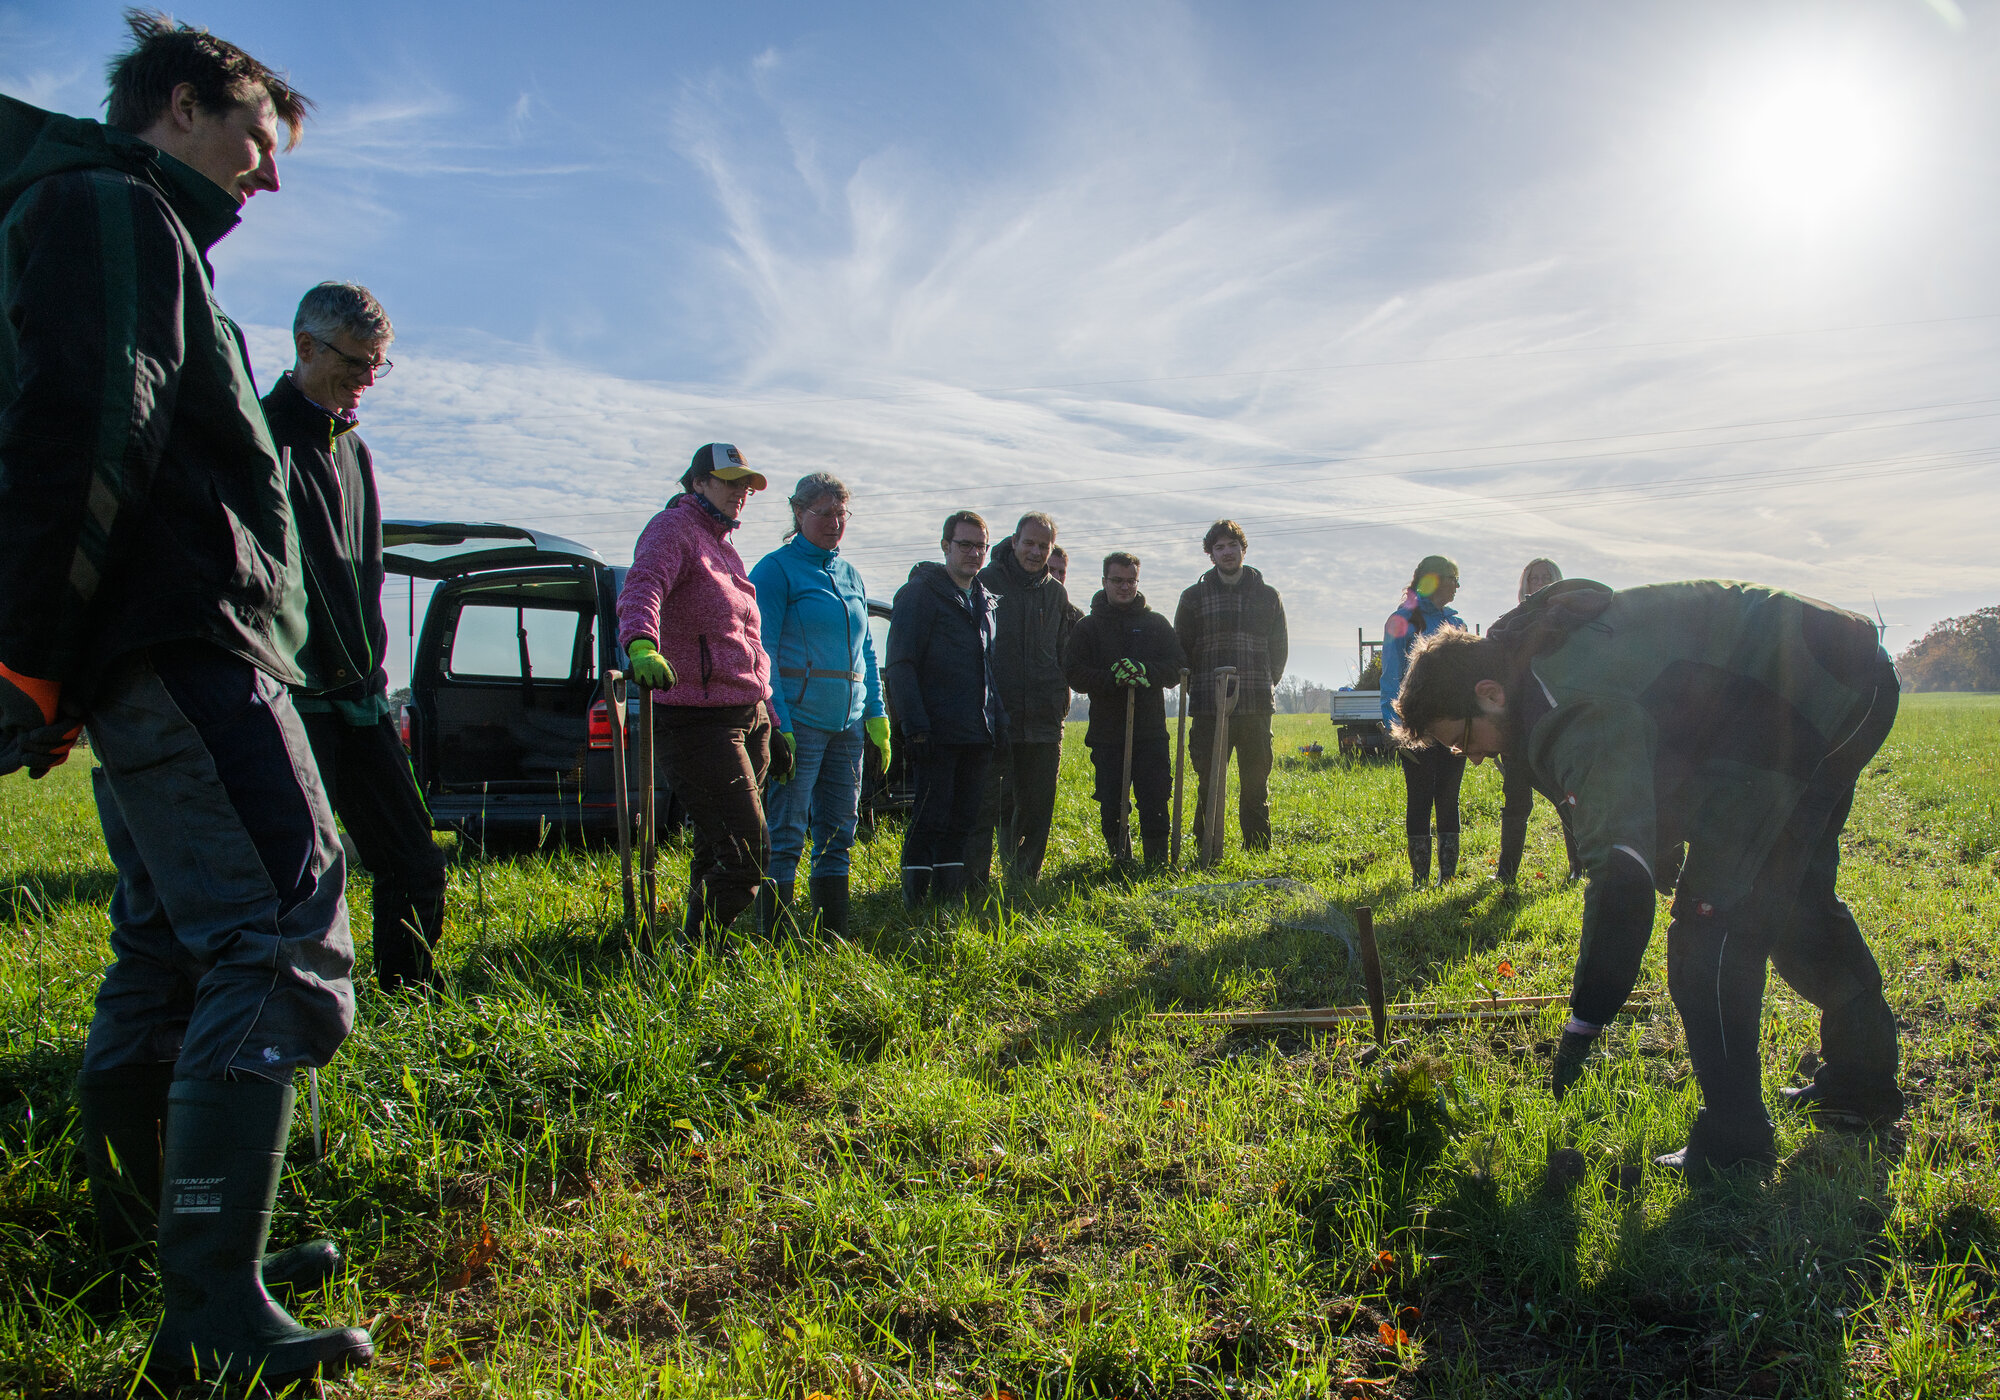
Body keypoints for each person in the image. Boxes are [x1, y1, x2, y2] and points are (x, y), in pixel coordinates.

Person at [0, 14, 372, 1382]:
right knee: (277, 927)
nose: (267, 179)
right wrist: (34, 648)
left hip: (144, 651)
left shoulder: (111, 219)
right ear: (177, 106)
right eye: (258, 143)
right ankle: (211, 1313)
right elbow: (87, 421)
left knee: (168, 944)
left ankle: (152, 1244)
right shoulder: (115, 209)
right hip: (187, 643)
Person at [1393, 580, 1905, 1172]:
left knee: (1709, 920)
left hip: (1815, 692)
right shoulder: (1534, 663)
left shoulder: (1564, 704)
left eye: (1461, 741)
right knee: (1794, 900)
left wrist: (1585, 1020)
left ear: (1489, 694)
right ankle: (1859, 1089)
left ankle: (1735, 1143)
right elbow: (1662, 727)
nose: (1472, 757)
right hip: (1830, 677)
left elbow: (1620, 881)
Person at [265, 282, 449, 993]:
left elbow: (362, 579)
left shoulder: (356, 453)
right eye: (356, 363)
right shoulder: (261, 436)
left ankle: (408, 997)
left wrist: (371, 675)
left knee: (415, 860)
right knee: (300, 876)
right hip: (289, 697)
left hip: (359, 700)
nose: (368, 380)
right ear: (306, 348)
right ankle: (287, 1022)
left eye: (379, 366)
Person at [617, 443, 792, 948]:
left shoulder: (723, 546)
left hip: (749, 714)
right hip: (697, 718)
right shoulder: (673, 529)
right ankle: (694, 945)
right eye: (729, 481)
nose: (741, 492)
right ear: (697, 482)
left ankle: (698, 958)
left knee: (714, 848)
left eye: (746, 485)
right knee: (746, 852)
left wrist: (774, 721)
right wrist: (642, 645)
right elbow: (642, 586)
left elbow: (750, 645)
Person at [749, 472, 889, 939]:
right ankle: (776, 935)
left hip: (848, 724)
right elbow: (760, 648)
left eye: (841, 514)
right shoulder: (775, 570)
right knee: (787, 830)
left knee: (838, 830)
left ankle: (832, 932)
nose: (834, 523)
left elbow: (866, 650)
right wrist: (778, 722)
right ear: (797, 513)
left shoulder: (850, 574)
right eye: (823, 513)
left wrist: (877, 715)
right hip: (800, 723)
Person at [885, 511, 1006, 909]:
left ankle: (948, 898)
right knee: (930, 816)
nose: (973, 553)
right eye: (965, 544)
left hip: (976, 732)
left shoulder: (985, 601)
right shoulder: (921, 594)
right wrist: (914, 726)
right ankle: (915, 903)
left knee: (963, 819)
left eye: (980, 546)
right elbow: (902, 662)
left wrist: (997, 722)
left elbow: (987, 668)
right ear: (945, 546)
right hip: (935, 731)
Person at [968, 512, 1074, 891]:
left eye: (1043, 546)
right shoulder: (986, 582)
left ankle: (1024, 879)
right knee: (990, 804)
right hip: (996, 716)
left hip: (1045, 718)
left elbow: (1064, 653)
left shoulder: (1055, 593)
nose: (1035, 551)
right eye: (1028, 543)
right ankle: (975, 881)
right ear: (1013, 542)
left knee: (1037, 806)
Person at [1063, 552, 1187, 868]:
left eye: (1131, 580)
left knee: (1155, 796)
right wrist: (1111, 677)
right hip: (1107, 733)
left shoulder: (1155, 624)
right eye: (1117, 580)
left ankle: (1157, 863)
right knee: (1112, 800)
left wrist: (1146, 672)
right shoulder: (1088, 627)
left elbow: (1177, 667)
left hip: (1149, 732)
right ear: (1104, 581)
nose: (1124, 587)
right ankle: (1122, 861)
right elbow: (1074, 673)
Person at [1175, 520, 1287, 854]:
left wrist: (1265, 681)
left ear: (1243, 549)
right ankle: (1207, 848)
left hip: (1254, 706)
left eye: (1232, 546)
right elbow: (1181, 646)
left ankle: (1256, 849)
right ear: (1210, 554)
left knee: (1255, 783)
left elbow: (1278, 648)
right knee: (1210, 782)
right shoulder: (1193, 597)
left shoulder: (1266, 596)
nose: (1227, 553)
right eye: (1219, 547)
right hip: (1209, 707)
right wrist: (1197, 687)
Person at [1379, 554, 1466, 884]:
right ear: (1435, 580)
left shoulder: (1456, 624)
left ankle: (1448, 877)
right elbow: (1390, 679)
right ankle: (1420, 879)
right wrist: (1396, 730)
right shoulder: (1401, 621)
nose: (1457, 588)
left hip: (1454, 727)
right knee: (1419, 799)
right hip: (1416, 728)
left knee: (1448, 797)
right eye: (1453, 580)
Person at [1495, 557, 1581, 884]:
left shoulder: (1568, 622)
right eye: (1534, 578)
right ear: (1525, 585)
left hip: (1554, 727)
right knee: (1515, 799)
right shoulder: (1513, 623)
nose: (1540, 582)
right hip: (1517, 728)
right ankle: (1506, 873)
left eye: (1547, 577)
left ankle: (1578, 867)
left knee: (1565, 798)